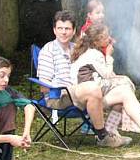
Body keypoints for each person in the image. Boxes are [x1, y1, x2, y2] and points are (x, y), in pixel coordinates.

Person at [71, 23, 140, 148]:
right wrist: (109, 56)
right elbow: (107, 75)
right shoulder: (93, 54)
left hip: (92, 95)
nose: (109, 38)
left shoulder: (87, 51)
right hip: (87, 99)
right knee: (125, 85)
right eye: (106, 37)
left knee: (125, 93)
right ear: (97, 41)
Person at [36, 10, 109, 141]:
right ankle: (103, 136)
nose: (63, 32)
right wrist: (61, 90)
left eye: (67, 28)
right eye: (60, 28)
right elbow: (44, 86)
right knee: (92, 88)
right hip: (59, 97)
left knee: (122, 90)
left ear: (74, 30)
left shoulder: (77, 48)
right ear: (54, 30)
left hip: (81, 92)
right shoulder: (48, 51)